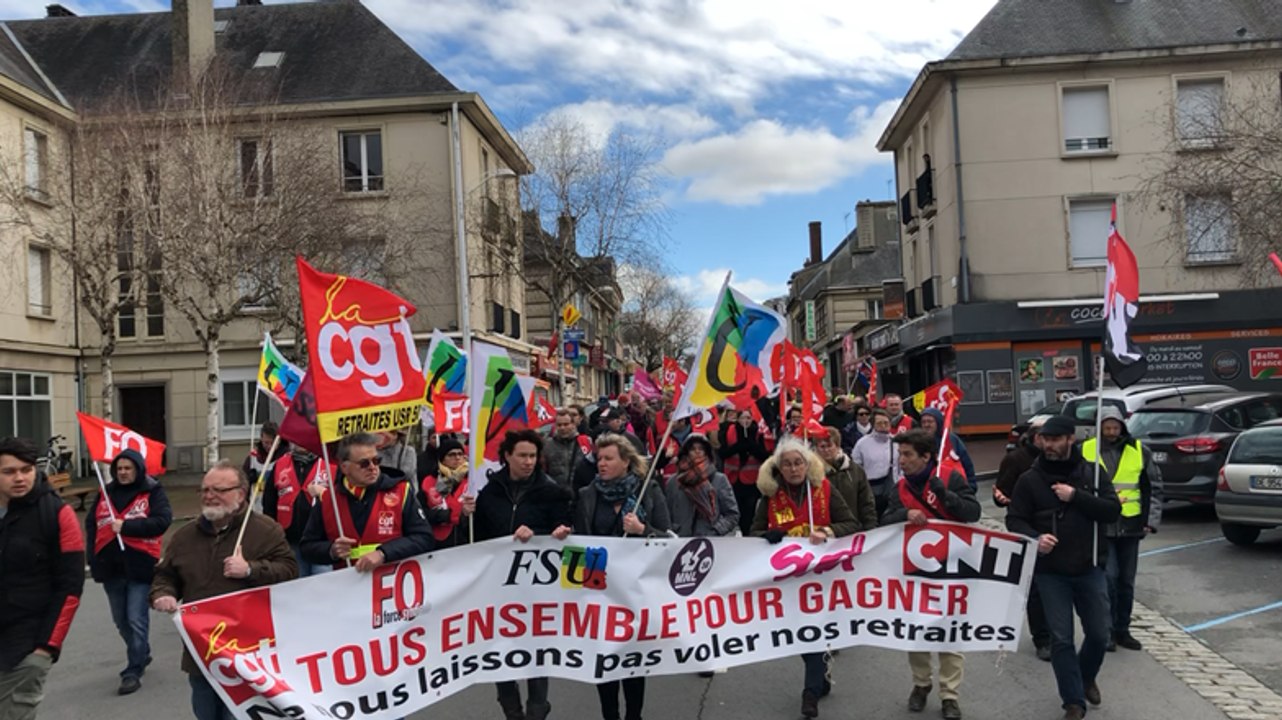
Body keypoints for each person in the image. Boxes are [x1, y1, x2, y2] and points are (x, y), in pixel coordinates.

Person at [150, 460, 297, 720]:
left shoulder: (265, 530)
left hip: (248, 651)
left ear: (241, 494)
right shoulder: (185, 537)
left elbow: (289, 571)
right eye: (205, 490)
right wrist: (164, 593)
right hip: (202, 650)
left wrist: (251, 570)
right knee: (205, 711)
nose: (209, 496)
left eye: (219, 490)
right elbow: (165, 575)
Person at [1005, 415, 1120, 720]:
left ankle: (1085, 677)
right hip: (1051, 571)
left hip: (1089, 566)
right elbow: (1014, 519)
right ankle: (1073, 702)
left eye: (1056, 440)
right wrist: (1035, 538)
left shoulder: (1092, 474)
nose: (1049, 445)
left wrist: (1076, 496)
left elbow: (1112, 511)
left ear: (1071, 439)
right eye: (1045, 439)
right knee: (1062, 638)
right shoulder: (1029, 479)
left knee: (1099, 633)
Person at [464, 430, 573, 720]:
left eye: (533, 456)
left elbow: (566, 531)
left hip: (536, 588)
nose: (528, 462)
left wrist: (544, 534)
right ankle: (511, 708)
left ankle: (537, 707)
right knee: (500, 648)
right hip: (498, 587)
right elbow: (474, 540)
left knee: (535, 649)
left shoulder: (552, 491)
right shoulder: (490, 492)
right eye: (522, 455)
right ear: (507, 456)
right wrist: (466, 517)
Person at [752, 437, 859, 718]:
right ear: (779, 468)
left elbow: (851, 523)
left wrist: (827, 531)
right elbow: (754, 532)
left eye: (798, 463)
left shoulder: (824, 489)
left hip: (822, 576)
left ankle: (810, 694)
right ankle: (820, 678)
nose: (793, 469)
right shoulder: (770, 496)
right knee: (802, 631)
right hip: (788, 578)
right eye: (787, 464)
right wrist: (767, 536)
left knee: (813, 630)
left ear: (807, 464)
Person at [882, 430, 982, 720]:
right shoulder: (900, 488)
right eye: (900, 454)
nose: (901, 460)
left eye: (907, 454)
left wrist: (944, 495)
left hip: (953, 567)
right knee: (917, 630)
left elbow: (972, 512)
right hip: (916, 571)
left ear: (926, 457)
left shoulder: (949, 478)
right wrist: (904, 516)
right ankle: (921, 682)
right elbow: (884, 521)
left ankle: (950, 695)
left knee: (950, 631)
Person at [572, 434, 671, 720]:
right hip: (599, 588)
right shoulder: (587, 494)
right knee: (604, 657)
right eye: (599, 459)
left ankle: (634, 715)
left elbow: (669, 537)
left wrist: (643, 530)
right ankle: (610, 715)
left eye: (608, 458)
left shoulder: (648, 490)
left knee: (632, 659)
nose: (601, 464)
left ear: (626, 461)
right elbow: (580, 539)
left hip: (636, 589)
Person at [0, 437, 84, 718]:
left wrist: (46, 648)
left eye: (26, 470)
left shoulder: (58, 513)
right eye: (9, 472)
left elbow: (70, 587)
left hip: (26, 648)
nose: (19, 478)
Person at [85, 448, 173, 695]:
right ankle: (142, 651)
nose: (123, 473)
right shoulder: (106, 493)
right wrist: (93, 559)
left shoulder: (152, 491)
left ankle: (133, 670)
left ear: (138, 469)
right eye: (119, 468)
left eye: (128, 468)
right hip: (110, 567)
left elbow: (162, 521)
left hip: (140, 567)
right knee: (121, 620)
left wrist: (127, 527)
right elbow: (92, 526)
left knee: (135, 618)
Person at [1081, 407, 1162, 653]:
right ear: (1099, 428)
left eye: (1115, 427)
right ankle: (1106, 631)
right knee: (1109, 579)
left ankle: (1122, 630)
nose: (1111, 432)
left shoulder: (1139, 450)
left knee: (1126, 581)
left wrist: (1151, 519)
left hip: (1131, 524)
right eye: (1107, 427)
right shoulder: (1085, 449)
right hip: (1101, 525)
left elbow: (1153, 486)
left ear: (1122, 427)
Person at [300, 433, 434, 571]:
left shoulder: (401, 491)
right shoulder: (328, 499)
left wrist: (383, 553)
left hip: (391, 579)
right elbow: (307, 547)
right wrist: (331, 550)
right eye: (364, 463)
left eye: (376, 460)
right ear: (344, 467)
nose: (372, 467)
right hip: (348, 581)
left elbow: (424, 538)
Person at [994, 418, 1051, 661]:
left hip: (1057, 530)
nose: (1051, 444)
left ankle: (1057, 632)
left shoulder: (1059, 461)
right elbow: (1001, 491)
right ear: (1036, 438)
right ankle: (1042, 638)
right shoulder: (1016, 459)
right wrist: (1003, 498)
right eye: (1047, 438)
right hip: (1027, 528)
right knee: (1036, 587)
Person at [261, 444, 332, 577]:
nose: (300, 443)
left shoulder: (328, 464)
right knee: (298, 581)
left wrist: (323, 493)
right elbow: (269, 502)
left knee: (324, 582)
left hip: (322, 541)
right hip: (292, 540)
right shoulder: (281, 464)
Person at [666, 434, 739, 538]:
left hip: (710, 542)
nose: (697, 452)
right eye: (693, 449)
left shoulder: (719, 480)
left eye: (701, 449)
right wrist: (674, 531)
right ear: (686, 452)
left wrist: (716, 530)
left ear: (707, 452)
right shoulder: (673, 482)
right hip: (680, 541)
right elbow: (666, 515)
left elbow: (732, 514)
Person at [815, 426, 878, 532]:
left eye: (829, 446)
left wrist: (871, 528)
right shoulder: (812, 474)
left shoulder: (855, 470)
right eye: (822, 447)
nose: (826, 450)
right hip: (825, 531)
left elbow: (866, 502)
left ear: (837, 446)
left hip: (853, 528)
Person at [719, 410, 770, 535]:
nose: (745, 421)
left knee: (749, 511)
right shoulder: (728, 431)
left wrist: (751, 446)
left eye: (748, 418)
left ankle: (747, 533)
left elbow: (765, 455)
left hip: (751, 479)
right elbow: (722, 453)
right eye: (742, 418)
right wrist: (739, 446)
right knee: (736, 509)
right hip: (733, 478)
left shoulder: (758, 432)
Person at [418, 436, 471, 547]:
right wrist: (446, 516)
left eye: (460, 454)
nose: (457, 458)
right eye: (451, 455)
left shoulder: (472, 480)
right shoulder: (429, 482)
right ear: (442, 459)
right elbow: (420, 512)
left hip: (465, 540)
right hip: (437, 541)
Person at [852, 409, 899, 520]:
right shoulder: (862, 443)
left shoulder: (896, 442)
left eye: (886, 423)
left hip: (891, 489)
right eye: (879, 423)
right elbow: (856, 467)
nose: (883, 426)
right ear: (873, 425)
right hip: (870, 489)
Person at [919, 408, 977, 489]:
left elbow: (966, 463)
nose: (926, 425)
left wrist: (971, 485)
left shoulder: (951, 440)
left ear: (938, 422)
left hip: (953, 488)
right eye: (923, 422)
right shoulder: (918, 442)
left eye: (930, 421)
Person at [544, 410, 593, 491]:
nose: (562, 428)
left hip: (580, 492)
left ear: (573, 424)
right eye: (559, 425)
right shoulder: (547, 445)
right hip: (556, 492)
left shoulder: (585, 442)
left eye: (566, 424)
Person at [241, 421, 278, 487]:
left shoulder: (284, 458)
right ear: (261, 438)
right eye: (266, 443)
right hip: (257, 493)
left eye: (272, 443)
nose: (269, 446)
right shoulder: (253, 458)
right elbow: (242, 483)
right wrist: (248, 480)